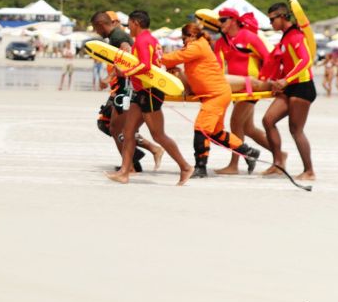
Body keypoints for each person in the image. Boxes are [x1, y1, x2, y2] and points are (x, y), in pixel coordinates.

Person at [163, 23, 262, 178]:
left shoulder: (197, 46)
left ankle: (200, 168)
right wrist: (177, 70)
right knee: (215, 133)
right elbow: (179, 62)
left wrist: (156, 58)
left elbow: (175, 57)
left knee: (201, 128)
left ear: (192, 36)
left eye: (184, 40)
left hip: (216, 95)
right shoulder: (195, 47)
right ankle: (249, 152)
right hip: (216, 94)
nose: (183, 44)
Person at [106, 10, 193, 186]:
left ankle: (185, 167)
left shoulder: (143, 41)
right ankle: (124, 172)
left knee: (158, 135)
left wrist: (127, 71)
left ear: (136, 23)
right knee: (128, 132)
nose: (127, 27)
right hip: (141, 91)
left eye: (129, 23)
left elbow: (145, 66)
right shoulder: (150, 39)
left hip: (150, 92)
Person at [90, 10, 164, 174]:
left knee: (116, 127)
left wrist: (110, 77)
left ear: (101, 25)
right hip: (124, 86)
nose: (96, 32)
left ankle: (135, 162)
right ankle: (134, 161)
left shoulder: (118, 37)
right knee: (116, 127)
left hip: (125, 87)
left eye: (96, 28)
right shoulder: (115, 36)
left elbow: (127, 54)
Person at [212, 8, 272, 175]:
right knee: (249, 128)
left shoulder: (249, 37)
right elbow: (217, 66)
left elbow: (268, 58)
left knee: (235, 122)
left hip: (251, 88)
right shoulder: (221, 42)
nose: (219, 23)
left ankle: (234, 165)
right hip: (235, 89)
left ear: (233, 20)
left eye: (223, 20)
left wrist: (263, 80)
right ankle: (280, 154)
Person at [260, 2, 317, 181]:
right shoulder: (285, 36)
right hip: (290, 86)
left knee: (296, 129)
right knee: (268, 120)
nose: (270, 24)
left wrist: (286, 80)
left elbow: (305, 60)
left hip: (302, 87)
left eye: (272, 19)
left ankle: (309, 171)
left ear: (282, 16)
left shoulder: (295, 36)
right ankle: (278, 164)